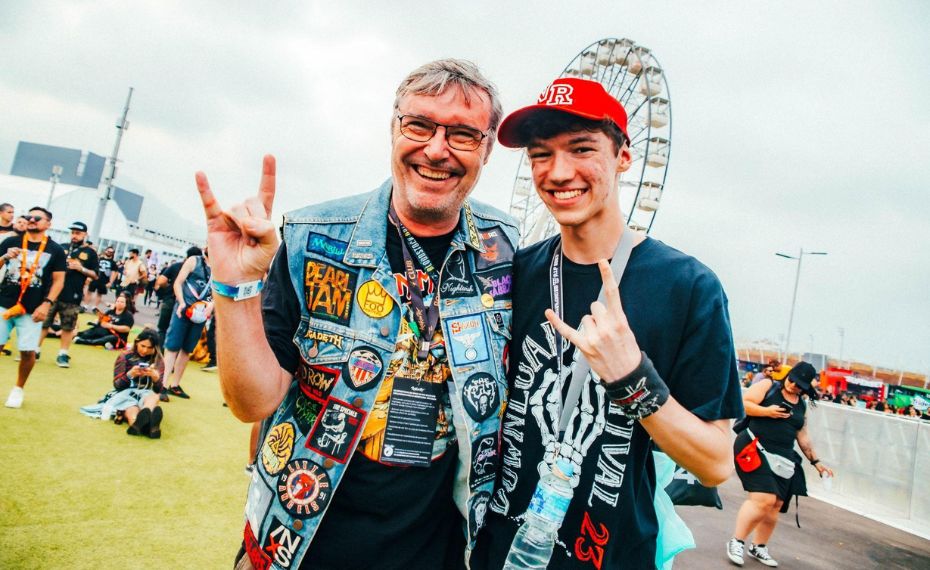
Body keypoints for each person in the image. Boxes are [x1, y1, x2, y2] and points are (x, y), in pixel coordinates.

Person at [197, 59, 516, 570]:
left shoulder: (507, 250)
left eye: (462, 134)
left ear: (487, 149)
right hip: (302, 540)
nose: (437, 149)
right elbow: (250, 404)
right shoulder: (311, 239)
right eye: (420, 125)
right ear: (394, 129)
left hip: (442, 550)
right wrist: (236, 287)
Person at [473, 77, 744, 569]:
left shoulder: (689, 288)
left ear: (623, 157)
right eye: (540, 155)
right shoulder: (514, 273)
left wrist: (631, 376)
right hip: (498, 551)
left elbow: (715, 463)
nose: (558, 172)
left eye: (581, 149)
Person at [727, 362, 834, 567]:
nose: (793, 385)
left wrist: (817, 462)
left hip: (783, 456)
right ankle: (736, 541)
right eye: (792, 379)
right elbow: (743, 403)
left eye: (799, 384)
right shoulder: (768, 386)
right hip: (754, 447)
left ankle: (758, 546)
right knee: (763, 499)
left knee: (775, 505)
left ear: (806, 387)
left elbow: (803, 436)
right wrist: (768, 412)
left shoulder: (801, 405)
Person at [1, 207, 66, 408]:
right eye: (28, 216)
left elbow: (58, 281)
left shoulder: (55, 250)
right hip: (4, 302)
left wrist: (46, 304)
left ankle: (18, 389)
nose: (31, 220)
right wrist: (4, 257)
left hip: (33, 308)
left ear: (48, 223)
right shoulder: (11, 242)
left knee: (28, 351)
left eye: (37, 218)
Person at [80, 328, 166, 439]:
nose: (145, 351)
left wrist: (155, 378)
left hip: (146, 394)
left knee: (153, 397)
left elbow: (158, 390)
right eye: (142, 346)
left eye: (149, 348)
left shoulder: (158, 360)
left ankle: (146, 415)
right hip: (124, 393)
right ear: (136, 342)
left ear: (155, 347)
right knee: (132, 411)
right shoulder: (125, 356)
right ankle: (147, 427)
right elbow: (117, 385)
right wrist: (130, 374)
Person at [38, 221, 98, 367]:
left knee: (68, 326)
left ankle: (63, 354)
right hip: (53, 292)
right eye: (73, 232)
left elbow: (96, 275)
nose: (74, 235)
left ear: (85, 234)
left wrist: (81, 268)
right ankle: (35, 350)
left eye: (78, 233)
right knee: (44, 322)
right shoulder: (61, 248)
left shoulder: (90, 253)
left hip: (73, 294)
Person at [162, 247, 212, 399]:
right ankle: (162, 384)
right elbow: (178, 283)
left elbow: (221, 290)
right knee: (172, 346)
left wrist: (212, 305)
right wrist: (182, 302)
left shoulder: (221, 266)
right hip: (184, 309)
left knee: (187, 349)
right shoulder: (194, 261)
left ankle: (175, 384)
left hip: (201, 313)